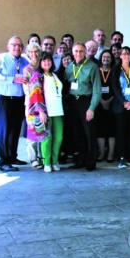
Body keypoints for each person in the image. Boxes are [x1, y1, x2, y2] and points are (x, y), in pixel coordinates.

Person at [0, 36, 30, 172]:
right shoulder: (1, 59)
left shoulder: (25, 61)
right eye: (14, 45)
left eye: (20, 45)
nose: (17, 47)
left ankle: (12, 157)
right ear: (8, 46)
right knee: (4, 130)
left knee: (15, 130)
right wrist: (13, 79)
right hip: (5, 100)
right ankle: (3, 162)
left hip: (19, 100)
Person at [65, 42, 102, 171]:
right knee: (77, 133)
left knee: (89, 133)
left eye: (81, 51)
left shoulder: (92, 67)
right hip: (73, 102)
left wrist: (91, 108)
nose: (78, 54)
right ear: (72, 52)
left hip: (86, 102)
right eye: (76, 51)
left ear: (85, 52)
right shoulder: (69, 67)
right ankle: (81, 159)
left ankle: (91, 162)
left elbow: (97, 90)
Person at [22, 42, 48, 168]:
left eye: (36, 51)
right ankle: (33, 159)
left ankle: (41, 156)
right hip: (32, 104)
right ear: (28, 53)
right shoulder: (27, 69)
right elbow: (27, 89)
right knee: (32, 132)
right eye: (31, 52)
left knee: (42, 130)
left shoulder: (43, 66)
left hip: (45, 103)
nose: (34, 54)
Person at [38, 52, 63, 172]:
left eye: (49, 60)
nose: (47, 63)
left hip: (58, 111)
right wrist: (41, 111)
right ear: (40, 63)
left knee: (58, 137)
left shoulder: (54, 75)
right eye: (44, 61)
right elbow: (36, 95)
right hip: (46, 111)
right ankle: (46, 162)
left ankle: (54, 161)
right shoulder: (38, 77)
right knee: (47, 138)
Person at [96, 50, 116, 163]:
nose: (106, 59)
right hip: (99, 104)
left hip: (112, 103)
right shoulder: (96, 71)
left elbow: (117, 88)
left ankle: (111, 153)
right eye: (104, 57)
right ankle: (102, 152)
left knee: (111, 130)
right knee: (100, 130)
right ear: (101, 58)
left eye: (108, 57)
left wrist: (109, 101)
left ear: (111, 59)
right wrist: (101, 101)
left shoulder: (114, 71)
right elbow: (93, 86)